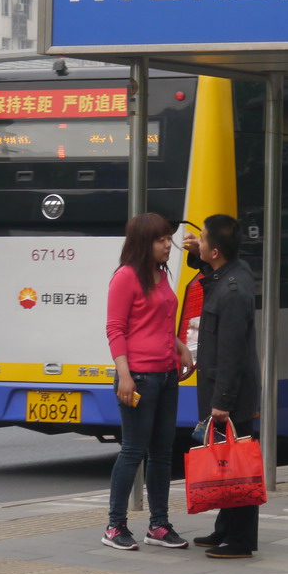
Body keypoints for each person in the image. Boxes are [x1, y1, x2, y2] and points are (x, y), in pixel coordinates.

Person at [103, 213, 194, 552]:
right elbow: (116, 329)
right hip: (138, 377)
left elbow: (160, 324)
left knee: (161, 454)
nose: (168, 244)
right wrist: (124, 376)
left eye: (169, 238)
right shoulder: (125, 278)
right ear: (144, 242)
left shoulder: (160, 275)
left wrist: (180, 348)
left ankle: (158, 525)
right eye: (160, 240)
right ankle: (115, 525)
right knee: (133, 451)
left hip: (167, 375)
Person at [183, 214, 262, 558]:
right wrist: (196, 256)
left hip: (231, 393)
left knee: (238, 467)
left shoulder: (231, 293)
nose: (196, 242)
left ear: (215, 251)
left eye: (201, 240)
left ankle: (241, 541)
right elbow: (208, 278)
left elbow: (232, 352)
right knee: (226, 462)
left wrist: (223, 401)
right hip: (226, 390)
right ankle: (225, 530)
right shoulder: (233, 272)